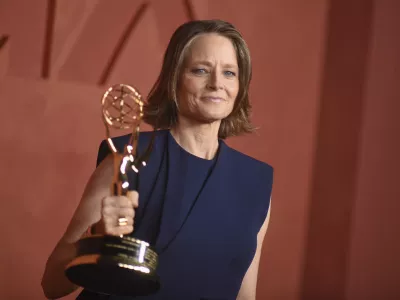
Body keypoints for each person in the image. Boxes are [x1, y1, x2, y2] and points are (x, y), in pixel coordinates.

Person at [41, 19, 274, 300]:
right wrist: (98, 233)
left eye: (229, 73)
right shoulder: (126, 157)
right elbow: (52, 285)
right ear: (174, 79)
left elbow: (245, 294)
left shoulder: (256, 182)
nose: (216, 84)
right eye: (200, 70)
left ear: (240, 85)